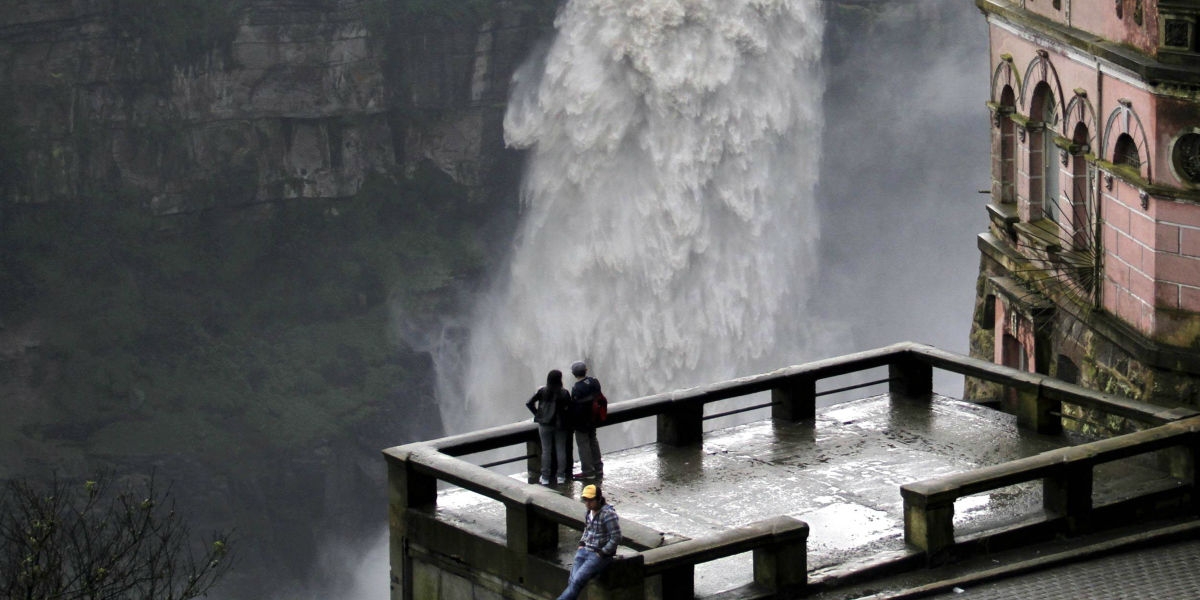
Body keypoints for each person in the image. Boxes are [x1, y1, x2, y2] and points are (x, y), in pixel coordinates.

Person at [557, 484, 620, 600]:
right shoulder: (589, 512)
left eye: (591, 500)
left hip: (598, 555)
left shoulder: (608, 514)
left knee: (577, 580)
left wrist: (602, 553)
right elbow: (587, 529)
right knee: (572, 580)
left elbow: (616, 537)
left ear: (599, 499)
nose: (587, 503)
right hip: (585, 550)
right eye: (585, 500)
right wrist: (581, 544)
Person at [526, 369, 572, 485]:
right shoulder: (564, 393)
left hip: (545, 424)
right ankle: (561, 476)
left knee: (546, 451)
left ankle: (545, 477)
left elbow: (529, 403)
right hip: (560, 425)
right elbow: (569, 407)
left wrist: (538, 414)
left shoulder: (542, 391)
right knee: (561, 449)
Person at [568, 360, 603, 479]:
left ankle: (588, 472)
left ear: (573, 374)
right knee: (593, 441)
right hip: (594, 418)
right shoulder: (594, 381)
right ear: (586, 370)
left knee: (583, 445)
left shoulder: (577, 388)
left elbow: (576, 407)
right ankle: (598, 468)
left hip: (582, 422)